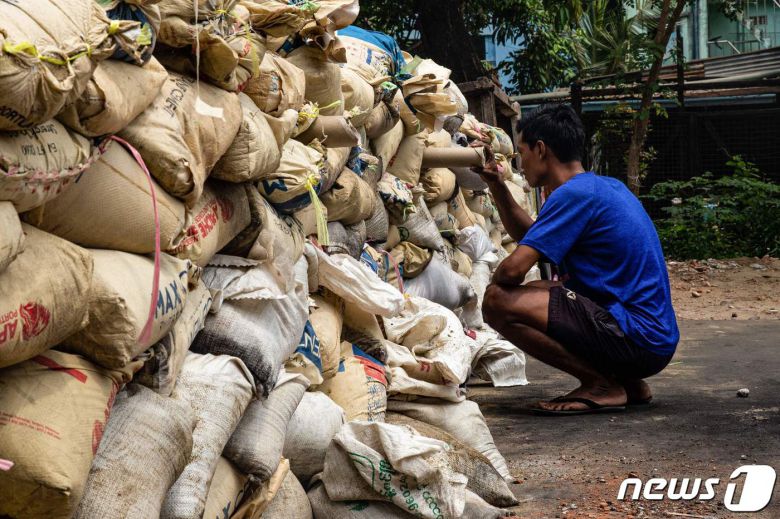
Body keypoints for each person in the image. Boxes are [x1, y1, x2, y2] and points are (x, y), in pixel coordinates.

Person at [477, 104, 679, 416]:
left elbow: (513, 271)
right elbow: (535, 237)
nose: (520, 162)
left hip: (637, 339)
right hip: (651, 340)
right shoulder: (600, 187)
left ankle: (600, 385)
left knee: (497, 301)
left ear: (541, 149)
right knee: (545, 289)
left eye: (522, 152)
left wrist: (504, 280)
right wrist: (497, 185)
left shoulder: (573, 195)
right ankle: (628, 383)